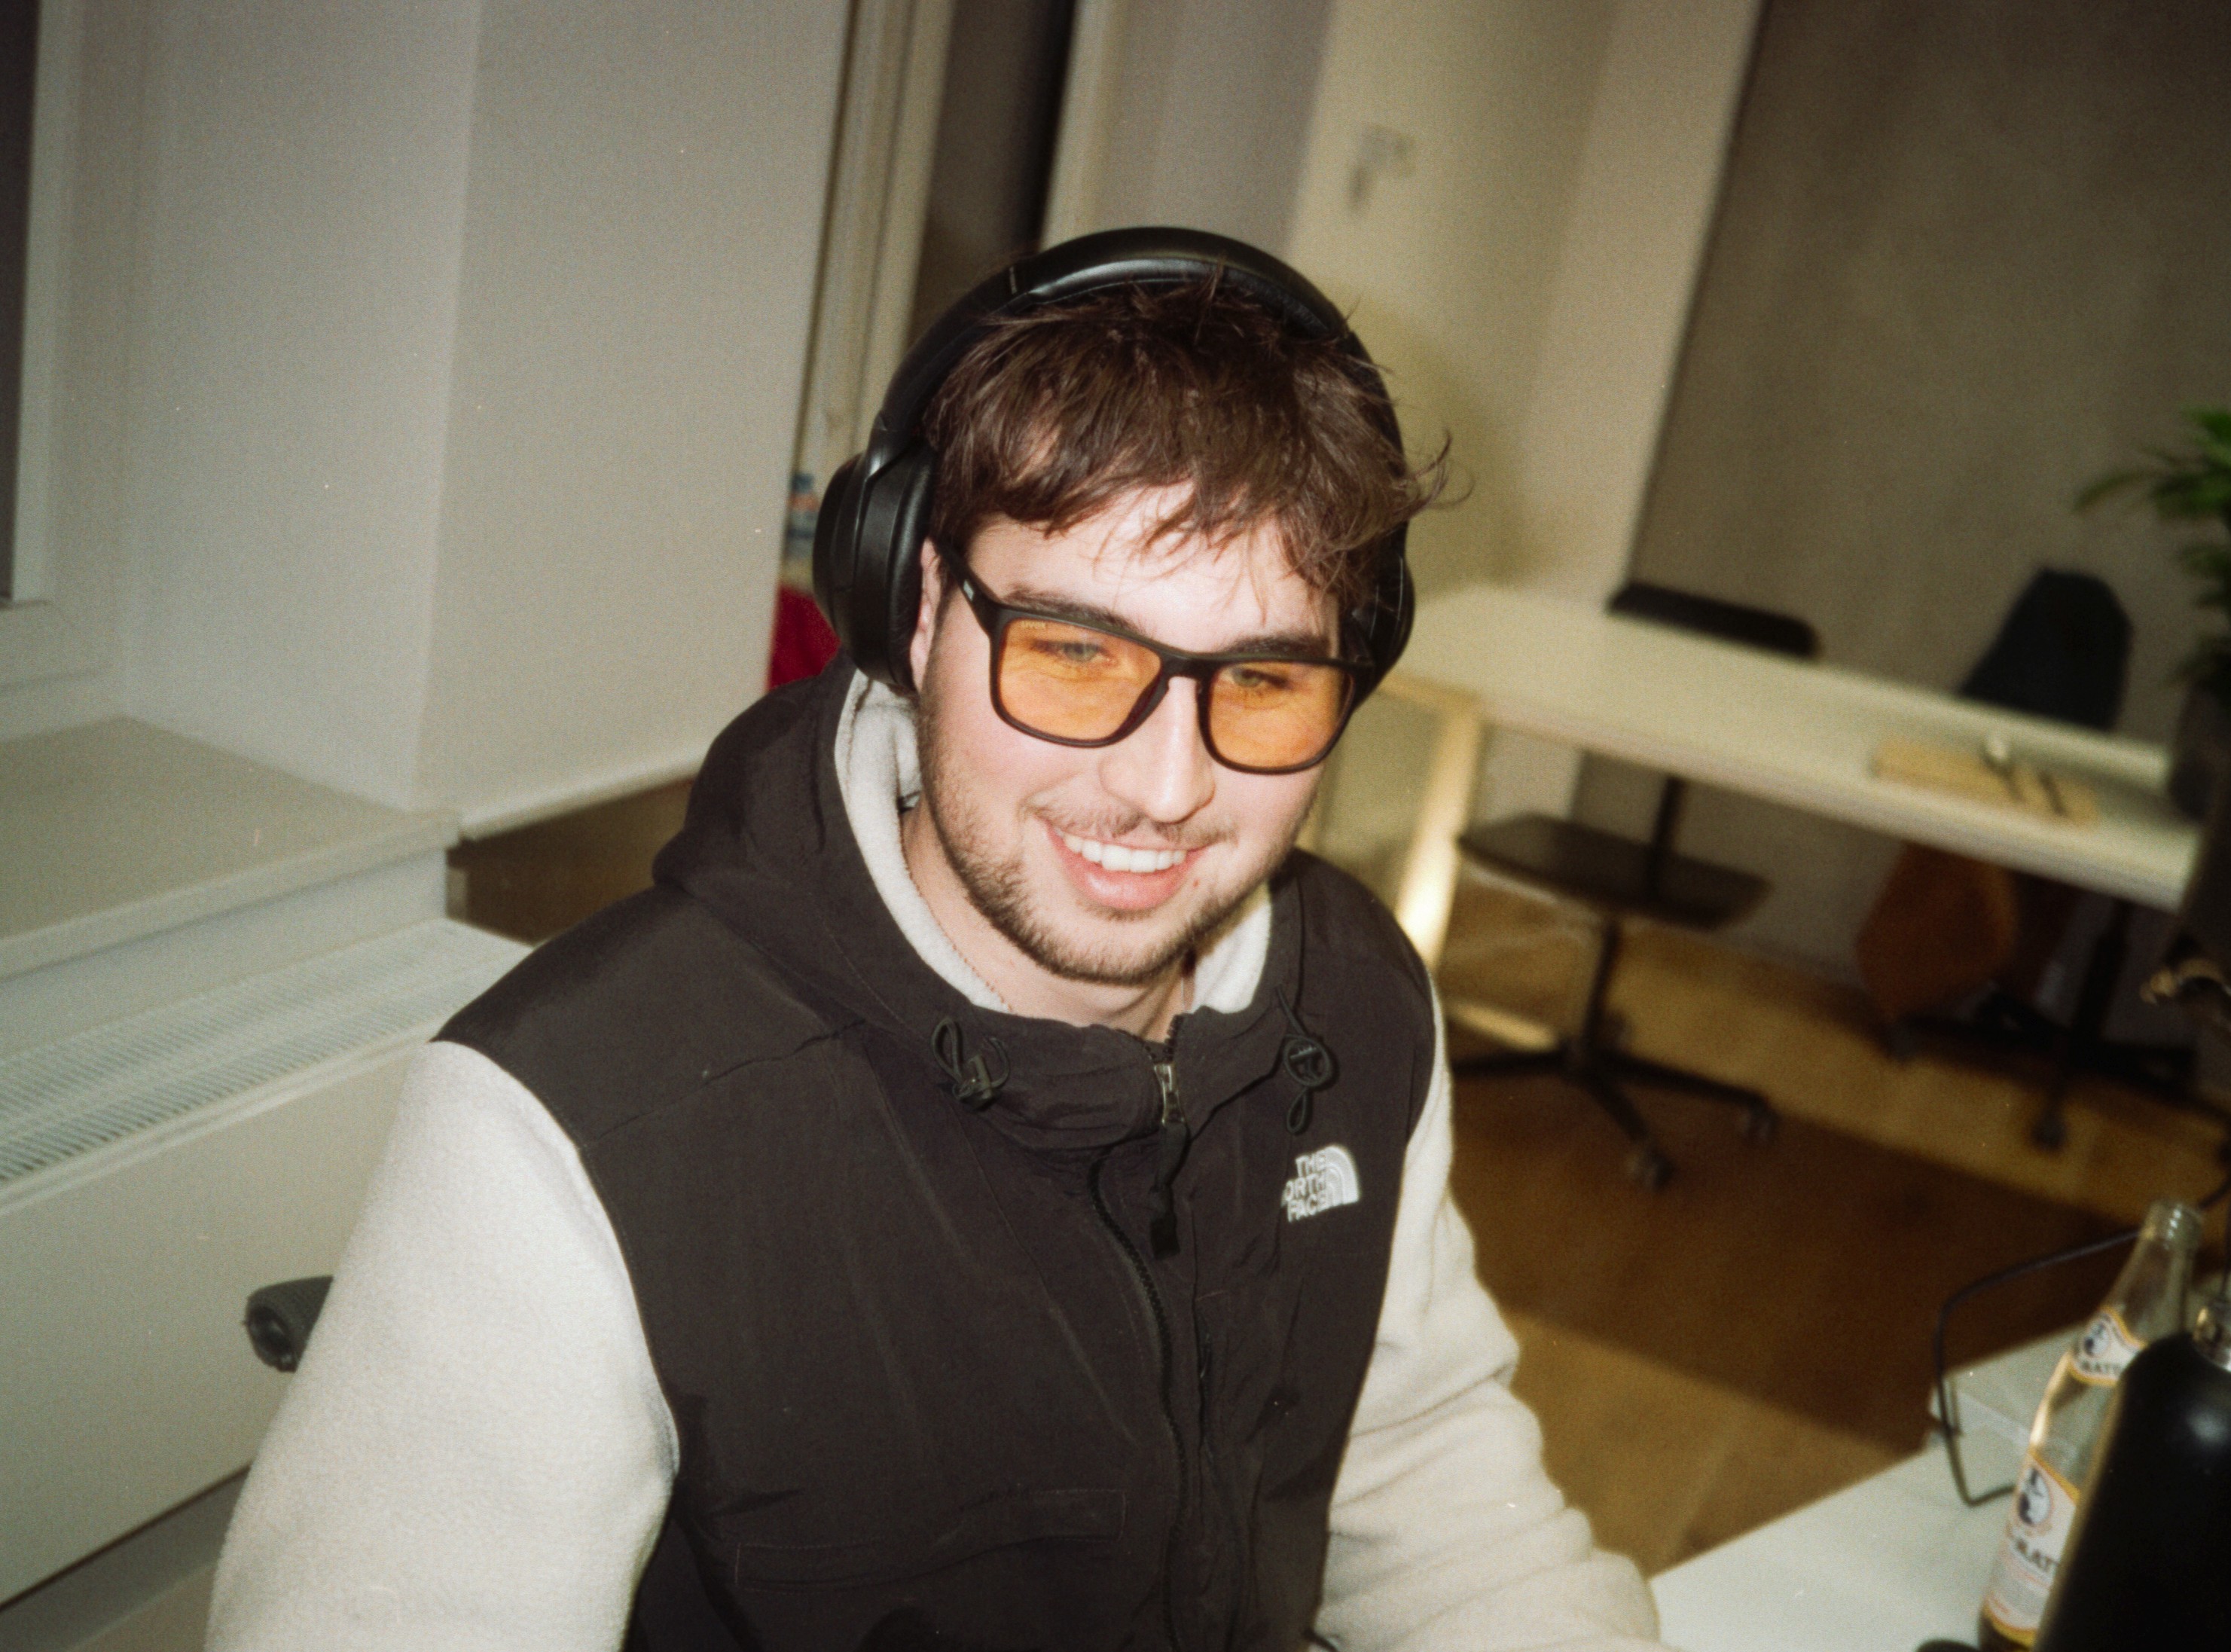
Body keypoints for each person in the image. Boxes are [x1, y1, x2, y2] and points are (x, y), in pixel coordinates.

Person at [205, 230, 1669, 1652]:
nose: (1166, 786)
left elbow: (1414, 1460)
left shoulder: (1351, 996)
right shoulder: (569, 1121)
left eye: (1265, 680)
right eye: (1075, 653)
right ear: (912, 610)